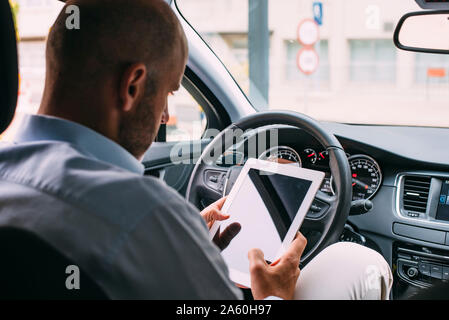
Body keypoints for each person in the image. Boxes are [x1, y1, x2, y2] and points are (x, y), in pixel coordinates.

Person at [0, 0, 392, 299]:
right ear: (132, 86)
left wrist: (186, 242)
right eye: (169, 93)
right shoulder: (146, 218)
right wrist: (272, 296)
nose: (166, 116)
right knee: (361, 263)